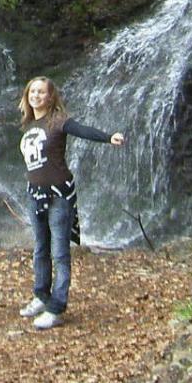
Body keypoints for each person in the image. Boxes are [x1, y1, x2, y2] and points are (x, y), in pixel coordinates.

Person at [18, 76, 124, 330]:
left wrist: (109, 137)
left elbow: (82, 130)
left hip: (58, 196)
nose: (36, 96)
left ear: (50, 97)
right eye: (33, 91)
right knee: (40, 249)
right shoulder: (29, 124)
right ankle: (41, 296)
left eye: (42, 92)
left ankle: (56, 307)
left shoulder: (58, 121)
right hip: (36, 195)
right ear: (27, 95)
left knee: (60, 253)